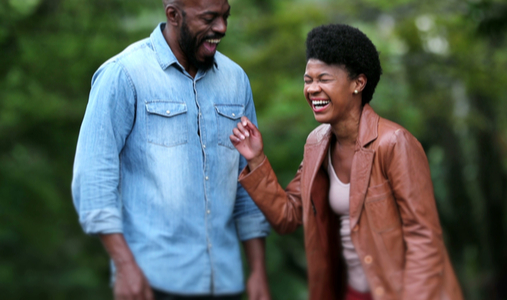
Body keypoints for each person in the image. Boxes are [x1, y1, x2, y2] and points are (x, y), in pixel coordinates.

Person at [230, 24, 464, 300]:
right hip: (350, 293)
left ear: (358, 83)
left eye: (324, 79)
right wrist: (256, 159)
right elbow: (288, 216)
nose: (313, 89)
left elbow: (424, 240)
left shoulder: (394, 143)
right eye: (308, 80)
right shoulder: (316, 144)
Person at [71, 0, 271, 299]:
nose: (221, 28)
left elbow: (249, 180)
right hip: (151, 285)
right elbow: (93, 180)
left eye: (225, 17)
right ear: (173, 14)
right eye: (210, 18)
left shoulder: (236, 80)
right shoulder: (123, 74)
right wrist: (125, 268)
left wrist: (257, 271)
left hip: (226, 284)